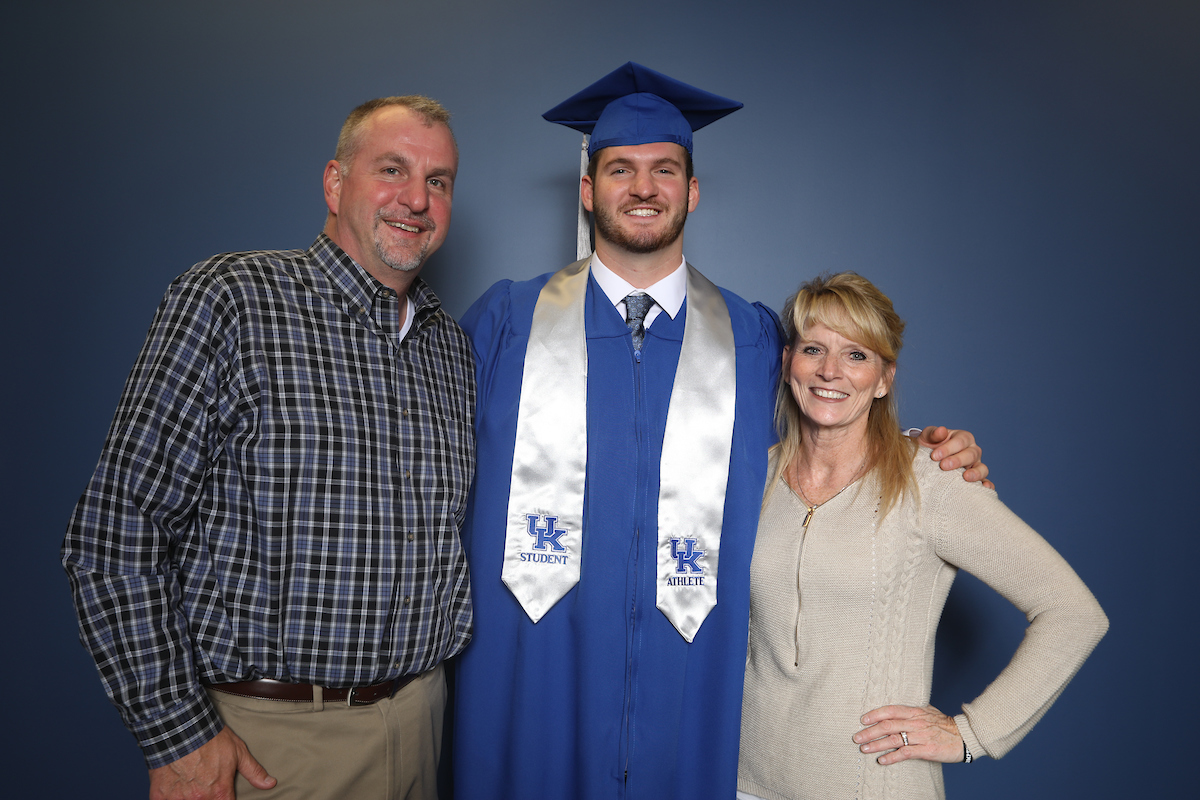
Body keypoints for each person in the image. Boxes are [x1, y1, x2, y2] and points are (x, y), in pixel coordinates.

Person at [452, 63, 988, 800]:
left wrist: (923, 449)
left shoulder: (752, 338)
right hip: (535, 677)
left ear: (692, 191)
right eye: (620, 169)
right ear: (588, 189)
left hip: (689, 687)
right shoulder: (508, 322)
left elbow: (830, 431)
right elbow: (420, 451)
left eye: (664, 170)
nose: (643, 188)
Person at [62, 96, 474, 800]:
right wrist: (177, 738)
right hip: (277, 743)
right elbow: (115, 533)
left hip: (422, 728)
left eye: (437, 181)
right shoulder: (231, 300)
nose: (415, 199)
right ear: (335, 183)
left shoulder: (450, 348)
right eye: (392, 170)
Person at [737, 272, 1108, 800]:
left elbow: (1073, 612)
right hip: (745, 783)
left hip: (874, 785)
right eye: (813, 349)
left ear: (885, 378)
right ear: (787, 361)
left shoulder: (930, 480)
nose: (830, 372)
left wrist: (971, 733)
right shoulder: (754, 477)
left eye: (857, 355)